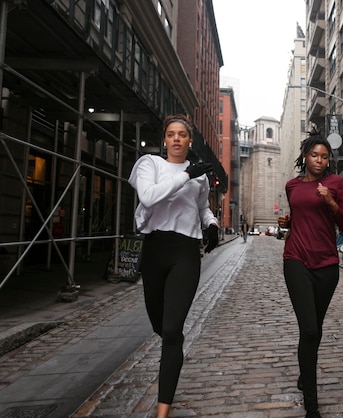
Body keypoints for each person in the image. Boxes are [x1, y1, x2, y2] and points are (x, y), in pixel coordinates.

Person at [128, 114, 219, 418]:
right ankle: (172, 354)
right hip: (154, 250)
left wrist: (212, 224)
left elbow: (203, 207)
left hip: (185, 252)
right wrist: (186, 174)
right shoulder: (149, 165)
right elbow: (149, 196)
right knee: (160, 325)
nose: (177, 139)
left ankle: (162, 411)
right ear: (164, 140)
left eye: (182, 134)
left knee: (171, 330)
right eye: (171, 134)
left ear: (189, 140)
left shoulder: (200, 176)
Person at [277, 132, 343, 418]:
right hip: (295, 259)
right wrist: (287, 222)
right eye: (314, 155)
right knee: (309, 329)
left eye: (324, 156)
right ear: (305, 157)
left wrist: (331, 203)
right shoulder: (291, 186)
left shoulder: (336, 184)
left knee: (316, 329)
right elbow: (299, 218)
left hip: (326, 264)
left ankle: (304, 372)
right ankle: (312, 405)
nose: (319, 160)